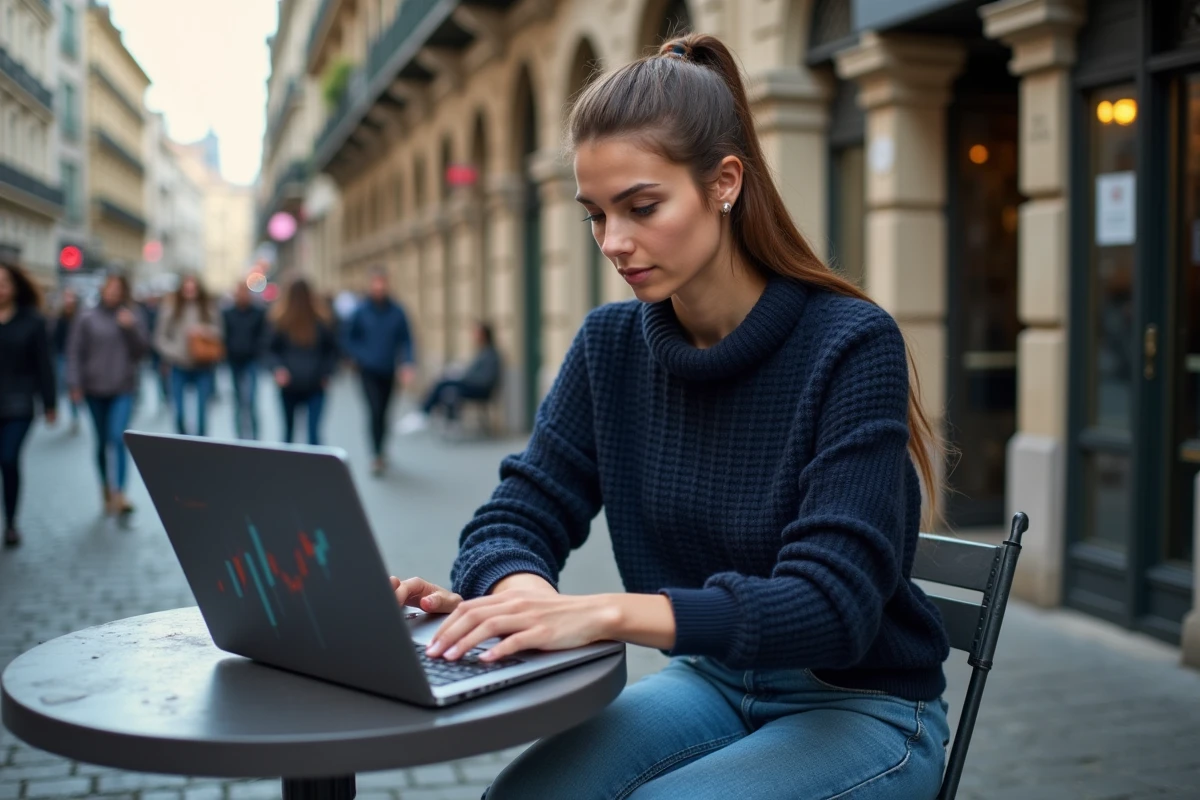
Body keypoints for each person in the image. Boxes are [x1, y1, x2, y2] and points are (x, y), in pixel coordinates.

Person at [388, 34, 952, 799]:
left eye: (642, 207)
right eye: (595, 215)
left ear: (724, 183)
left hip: (865, 707)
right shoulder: (609, 346)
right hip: (714, 683)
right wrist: (520, 593)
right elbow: (515, 514)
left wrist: (602, 616)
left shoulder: (850, 344)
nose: (615, 243)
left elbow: (834, 606)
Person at [66, 272, 148, 516]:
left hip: (123, 387)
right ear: (103, 290)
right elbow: (74, 352)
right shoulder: (87, 317)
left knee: (118, 436)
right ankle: (104, 486)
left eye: (118, 288)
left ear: (124, 291)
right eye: (109, 288)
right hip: (94, 388)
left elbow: (142, 351)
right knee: (101, 442)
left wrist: (130, 328)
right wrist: (74, 383)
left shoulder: (132, 316)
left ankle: (120, 492)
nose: (113, 292)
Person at [0, 261, 56, 546]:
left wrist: (50, 404)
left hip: (19, 404)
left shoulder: (32, 320)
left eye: (4, 283)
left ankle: (10, 521)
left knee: (8, 459)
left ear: (14, 287)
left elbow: (44, 365)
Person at [342, 269, 414, 475]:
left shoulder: (397, 311)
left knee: (384, 412)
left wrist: (408, 362)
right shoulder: (360, 311)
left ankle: (382, 448)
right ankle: (375, 454)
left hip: (389, 369)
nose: (379, 287)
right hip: (368, 371)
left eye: (382, 283)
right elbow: (348, 338)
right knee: (373, 410)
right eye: (375, 283)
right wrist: (358, 356)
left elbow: (407, 339)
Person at [266, 278, 339, 446]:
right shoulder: (281, 320)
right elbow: (269, 349)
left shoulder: (319, 320)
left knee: (294, 433)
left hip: (311, 384)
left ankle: (291, 467)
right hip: (296, 384)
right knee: (304, 433)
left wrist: (327, 373)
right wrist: (277, 369)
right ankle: (309, 468)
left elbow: (332, 350)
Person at [396, 321, 500, 433]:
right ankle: (424, 413)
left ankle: (423, 413)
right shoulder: (483, 352)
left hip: (478, 389)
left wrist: (463, 377)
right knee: (445, 384)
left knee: (445, 384)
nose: (473, 336)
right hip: (471, 385)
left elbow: (484, 379)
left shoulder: (490, 354)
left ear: (484, 335)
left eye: (476, 333)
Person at [154, 274, 224, 436]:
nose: (190, 289)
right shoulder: (171, 308)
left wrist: (204, 331)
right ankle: (183, 442)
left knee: (202, 415)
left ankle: (200, 446)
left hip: (203, 365)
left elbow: (219, 332)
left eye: (193, 286)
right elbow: (159, 338)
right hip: (179, 365)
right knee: (178, 413)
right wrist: (175, 352)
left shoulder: (208, 308)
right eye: (187, 286)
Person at [223, 282, 267, 439]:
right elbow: (225, 335)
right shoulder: (228, 313)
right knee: (237, 400)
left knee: (251, 398)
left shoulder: (258, 312)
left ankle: (254, 434)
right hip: (234, 360)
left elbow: (263, 336)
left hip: (251, 360)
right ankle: (239, 433)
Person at [51, 288, 82, 433]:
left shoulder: (81, 317)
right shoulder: (59, 319)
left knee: (75, 386)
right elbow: (54, 339)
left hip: (78, 357)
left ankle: (76, 411)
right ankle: (74, 415)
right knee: (69, 386)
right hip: (63, 357)